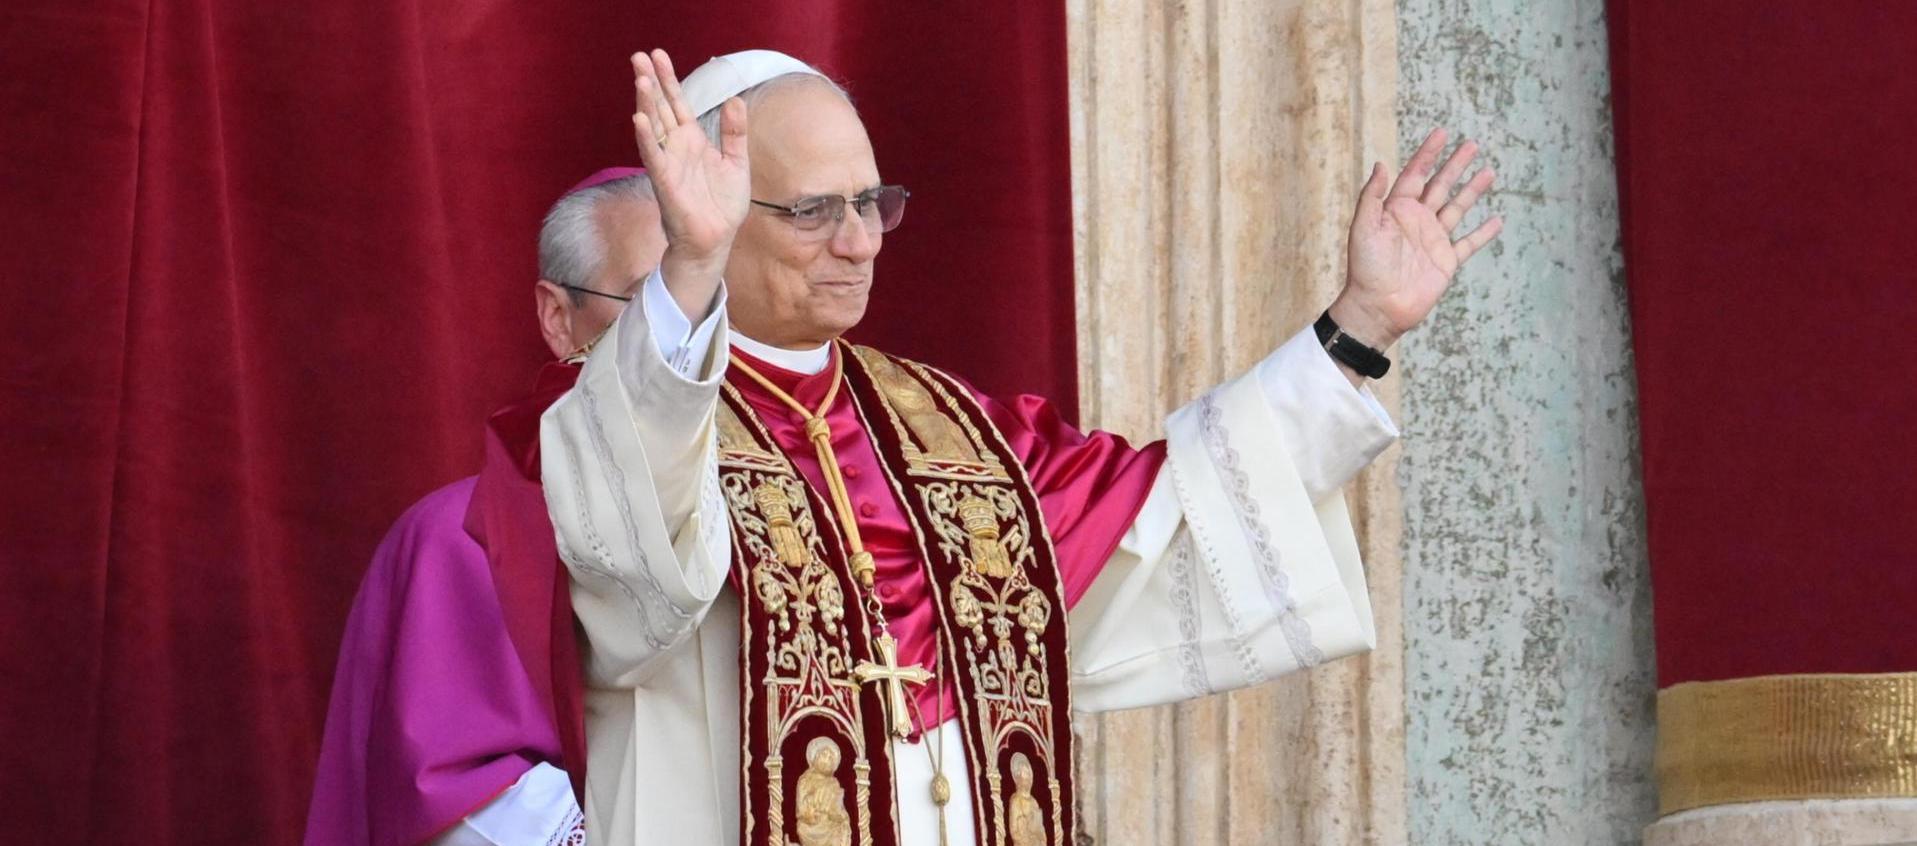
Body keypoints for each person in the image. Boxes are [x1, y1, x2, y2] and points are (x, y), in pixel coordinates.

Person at [536, 48, 1503, 845]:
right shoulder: (639, 409)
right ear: (710, 212)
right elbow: (634, 569)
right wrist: (691, 266)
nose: (861, 242)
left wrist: (1357, 327)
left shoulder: (950, 425)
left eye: (872, 203)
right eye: (813, 212)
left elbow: (1173, 512)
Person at [304, 169, 672, 846]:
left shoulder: (794, 517)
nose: (691, 335)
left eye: (712, 300)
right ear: (559, 319)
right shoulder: (464, 540)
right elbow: (454, 801)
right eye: (653, 298)